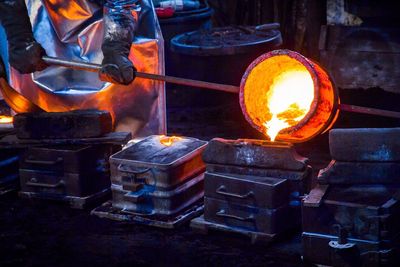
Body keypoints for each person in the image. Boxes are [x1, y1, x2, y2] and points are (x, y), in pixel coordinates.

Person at [0, 0, 166, 137]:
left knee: (127, 134)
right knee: (44, 133)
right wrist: (19, 38)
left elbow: (122, 3)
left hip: (117, 21)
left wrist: (116, 47)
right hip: (43, 23)